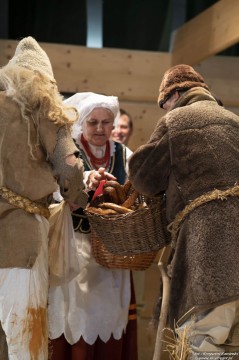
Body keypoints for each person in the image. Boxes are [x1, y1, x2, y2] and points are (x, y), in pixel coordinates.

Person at [128, 64, 239, 358]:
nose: (164, 111)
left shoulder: (177, 120)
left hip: (208, 250)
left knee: (206, 342)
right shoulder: (234, 121)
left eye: (164, 105)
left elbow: (143, 175)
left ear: (176, 94)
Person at [0, 37, 88, 360]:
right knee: (27, 345)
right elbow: (70, 167)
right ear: (44, 81)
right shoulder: (46, 109)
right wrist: (79, 196)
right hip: (22, 244)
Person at [48, 92, 138, 360]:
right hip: (75, 252)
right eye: (93, 122)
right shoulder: (68, 153)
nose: (100, 128)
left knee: (110, 320)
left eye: (106, 122)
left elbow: (140, 190)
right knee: (75, 317)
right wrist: (84, 179)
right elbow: (53, 191)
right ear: (82, 124)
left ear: (114, 124)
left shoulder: (125, 155)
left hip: (112, 255)